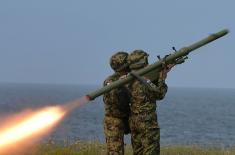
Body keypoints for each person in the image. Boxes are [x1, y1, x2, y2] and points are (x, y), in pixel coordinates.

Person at [127, 50, 173, 155]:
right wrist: (162, 78)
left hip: (133, 120)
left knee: (138, 152)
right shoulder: (143, 79)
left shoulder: (128, 78)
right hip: (147, 121)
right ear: (142, 62)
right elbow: (159, 94)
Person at [103, 51, 131, 155]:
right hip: (113, 121)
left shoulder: (128, 78)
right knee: (115, 151)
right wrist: (121, 84)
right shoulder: (110, 81)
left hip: (124, 118)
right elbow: (113, 99)